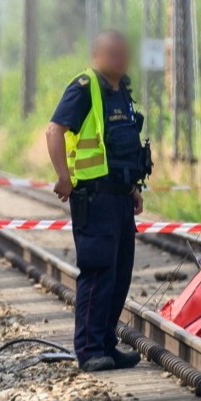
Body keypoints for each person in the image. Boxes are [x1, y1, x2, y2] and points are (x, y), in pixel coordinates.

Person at [44, 30, 151, 373]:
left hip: (119, 197)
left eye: (123, 53)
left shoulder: (121, 92)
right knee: (98, 272)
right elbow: (54, 131)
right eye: (112, 53)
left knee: (119, 276)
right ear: (97, 55)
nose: (119, 59)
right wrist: (64, 176)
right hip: (95, 197)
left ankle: (106, 344)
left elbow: (118, 146)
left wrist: (133, 187)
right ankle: (90, 350)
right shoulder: (84, 87)